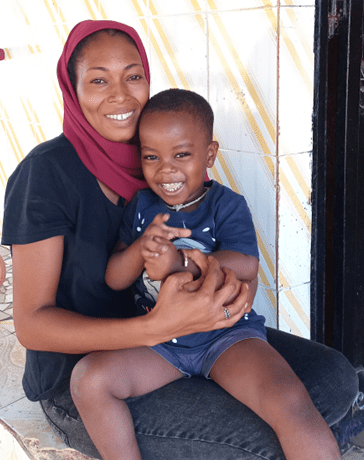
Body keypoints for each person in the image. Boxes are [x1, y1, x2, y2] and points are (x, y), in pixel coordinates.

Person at [1, 19, 359, 460]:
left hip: (189, 332)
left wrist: (226, 285)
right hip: (100, 361)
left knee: (334, 377)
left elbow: (235, 261)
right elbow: (33, 325)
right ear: (71, 88)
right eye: (98, 80)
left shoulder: (149, 156)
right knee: (261, 439)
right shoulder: (45, 173)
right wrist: (156, 324)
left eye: (133, 76)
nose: (120, 94)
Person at [69, 89, 341, 460]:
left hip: (227, 337)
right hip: (162, 342)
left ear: (209, 154)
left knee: (289, 400)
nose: (166, 169)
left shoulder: (225, 205)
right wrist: (140, 249)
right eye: (151, 157)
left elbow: (246, 264)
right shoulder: (142, 207)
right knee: (89, 380)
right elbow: (115, 278)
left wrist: (180, 262)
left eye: (181, 154)